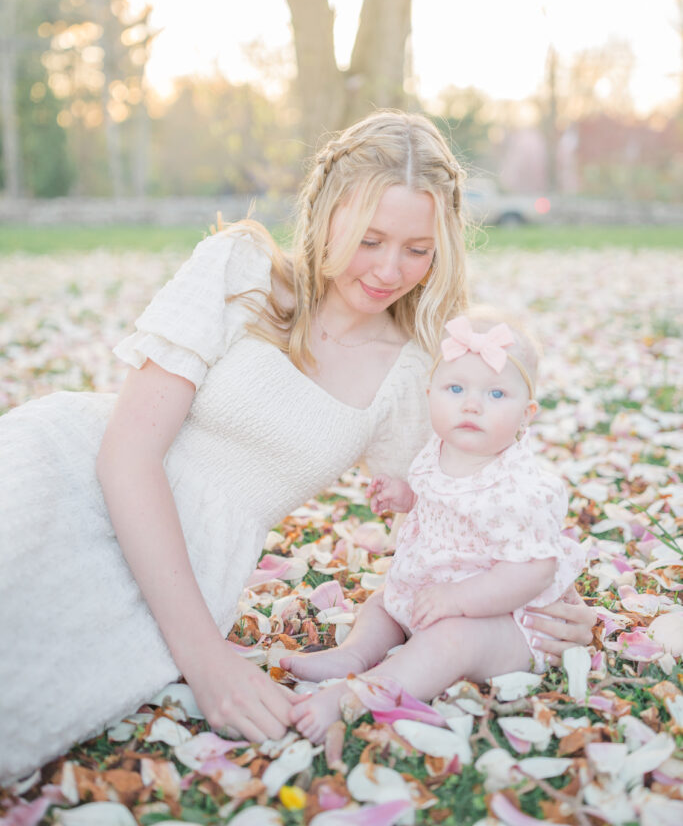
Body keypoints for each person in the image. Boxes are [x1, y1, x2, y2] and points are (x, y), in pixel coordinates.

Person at [0, 112, 594, 784]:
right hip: (75, 475)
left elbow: (464, 506)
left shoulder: (413, 370)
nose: (388, 269)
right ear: (324, 210)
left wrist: (539, 597)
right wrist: (207, 658)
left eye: (417, 249)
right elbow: (128, 452)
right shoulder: (240, 269)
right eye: (369, 239)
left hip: (197, 565)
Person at [285, 311, 588, 744]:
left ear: (527, 413)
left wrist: (458, 600)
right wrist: (406, 497)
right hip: (432, 593)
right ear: (431, 395)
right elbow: (442, 501)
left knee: (451, 640)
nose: (472, 404)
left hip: (502, 621)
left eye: (497, 393)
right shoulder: (441, 450)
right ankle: (353, 653)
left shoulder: (521, 488)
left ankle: (361, 695)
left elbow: (531, 570)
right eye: (456, 388)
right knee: (383, 604)